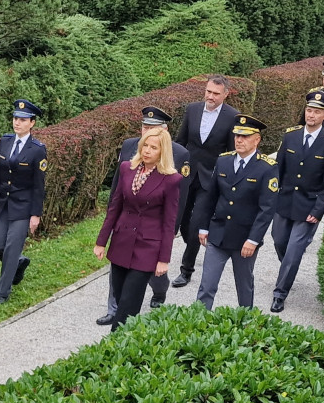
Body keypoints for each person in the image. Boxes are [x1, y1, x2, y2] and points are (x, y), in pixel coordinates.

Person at [96, 106, 192, 325]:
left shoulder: (171, 179)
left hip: (148, 244)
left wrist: (164, 258)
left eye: (153, 147)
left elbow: (169, 221)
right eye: (145, 145)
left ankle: (116, 344)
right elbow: (114, 206)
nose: (147, 150)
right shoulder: (127, 169)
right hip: (122, 240)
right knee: (120, 296)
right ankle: (124, 332)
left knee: (129, 303)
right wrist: (101, 241)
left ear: (162, 151)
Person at [191, 115, 279, 310]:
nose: (239, 140)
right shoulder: (223, 161)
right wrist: (204, 227)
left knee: (244, 286)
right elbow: (210, 197)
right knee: (207, 285)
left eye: (245, 136)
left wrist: (254, 240)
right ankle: (198, 324)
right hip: (218, 235)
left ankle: (246, 324)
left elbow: (266, 209)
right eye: (237, 135)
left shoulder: (267, 168)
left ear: (257, 139)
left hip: (244, 239)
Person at [271, 91, 324, 313]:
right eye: (309, 110)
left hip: (309, 206)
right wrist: (271, 197)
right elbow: (278, 170)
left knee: (293, 252)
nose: (311, 115)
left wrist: (319, 210)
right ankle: (289, 269)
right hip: (284, 202)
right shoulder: (290, 136)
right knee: (279, 241)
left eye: (317, 112)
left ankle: (279, 293)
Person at [172, 74, 239, 289]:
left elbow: (231, 152)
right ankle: (192, 242)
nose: (210, 96)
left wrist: (226, 181)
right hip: (186, 173)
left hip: (209, 179)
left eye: (215, 93)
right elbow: (181, 141)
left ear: (225, 95)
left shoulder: (232, 116)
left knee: (195, 225)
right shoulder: (192, 109)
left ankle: (186, 269)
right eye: (208, 91)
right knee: (181, 220)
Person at [0, 99, 48, 304]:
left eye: (22, 119)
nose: (17, 123)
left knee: (11, 248)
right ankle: (19, 263)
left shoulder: (37, 149)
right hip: (2, 204)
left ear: (32, 123)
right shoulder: (5, 141)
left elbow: (39, 186)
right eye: (15, 118)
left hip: (23, 206)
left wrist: (35, 214)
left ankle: (2, 292)